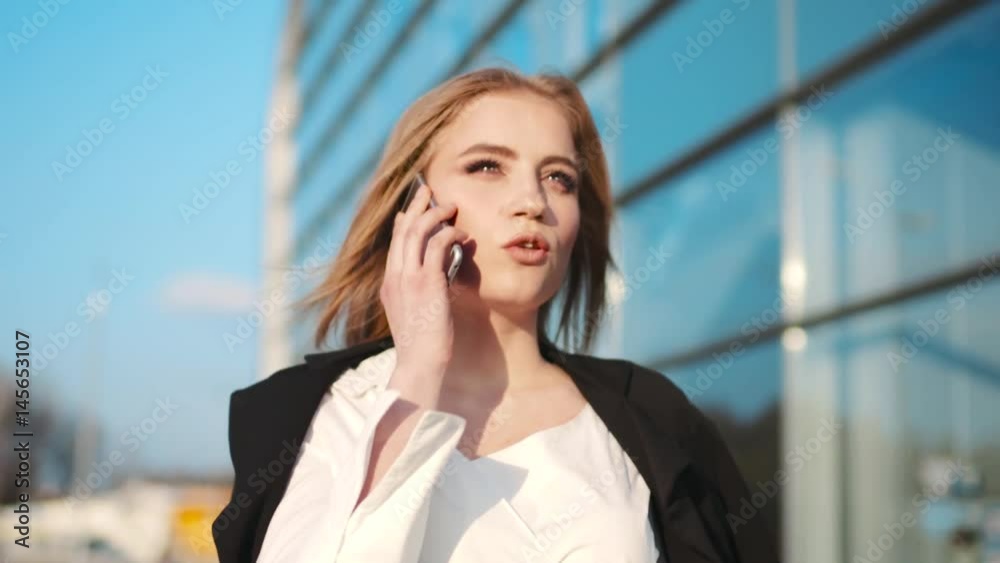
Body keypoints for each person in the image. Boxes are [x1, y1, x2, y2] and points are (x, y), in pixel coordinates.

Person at [212, 66, 780, 563]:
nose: (533, 201)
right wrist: (417, 368)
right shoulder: (323, 414)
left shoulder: (652, 421)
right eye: (487, 166)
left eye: (559, 178)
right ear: (414, 204)